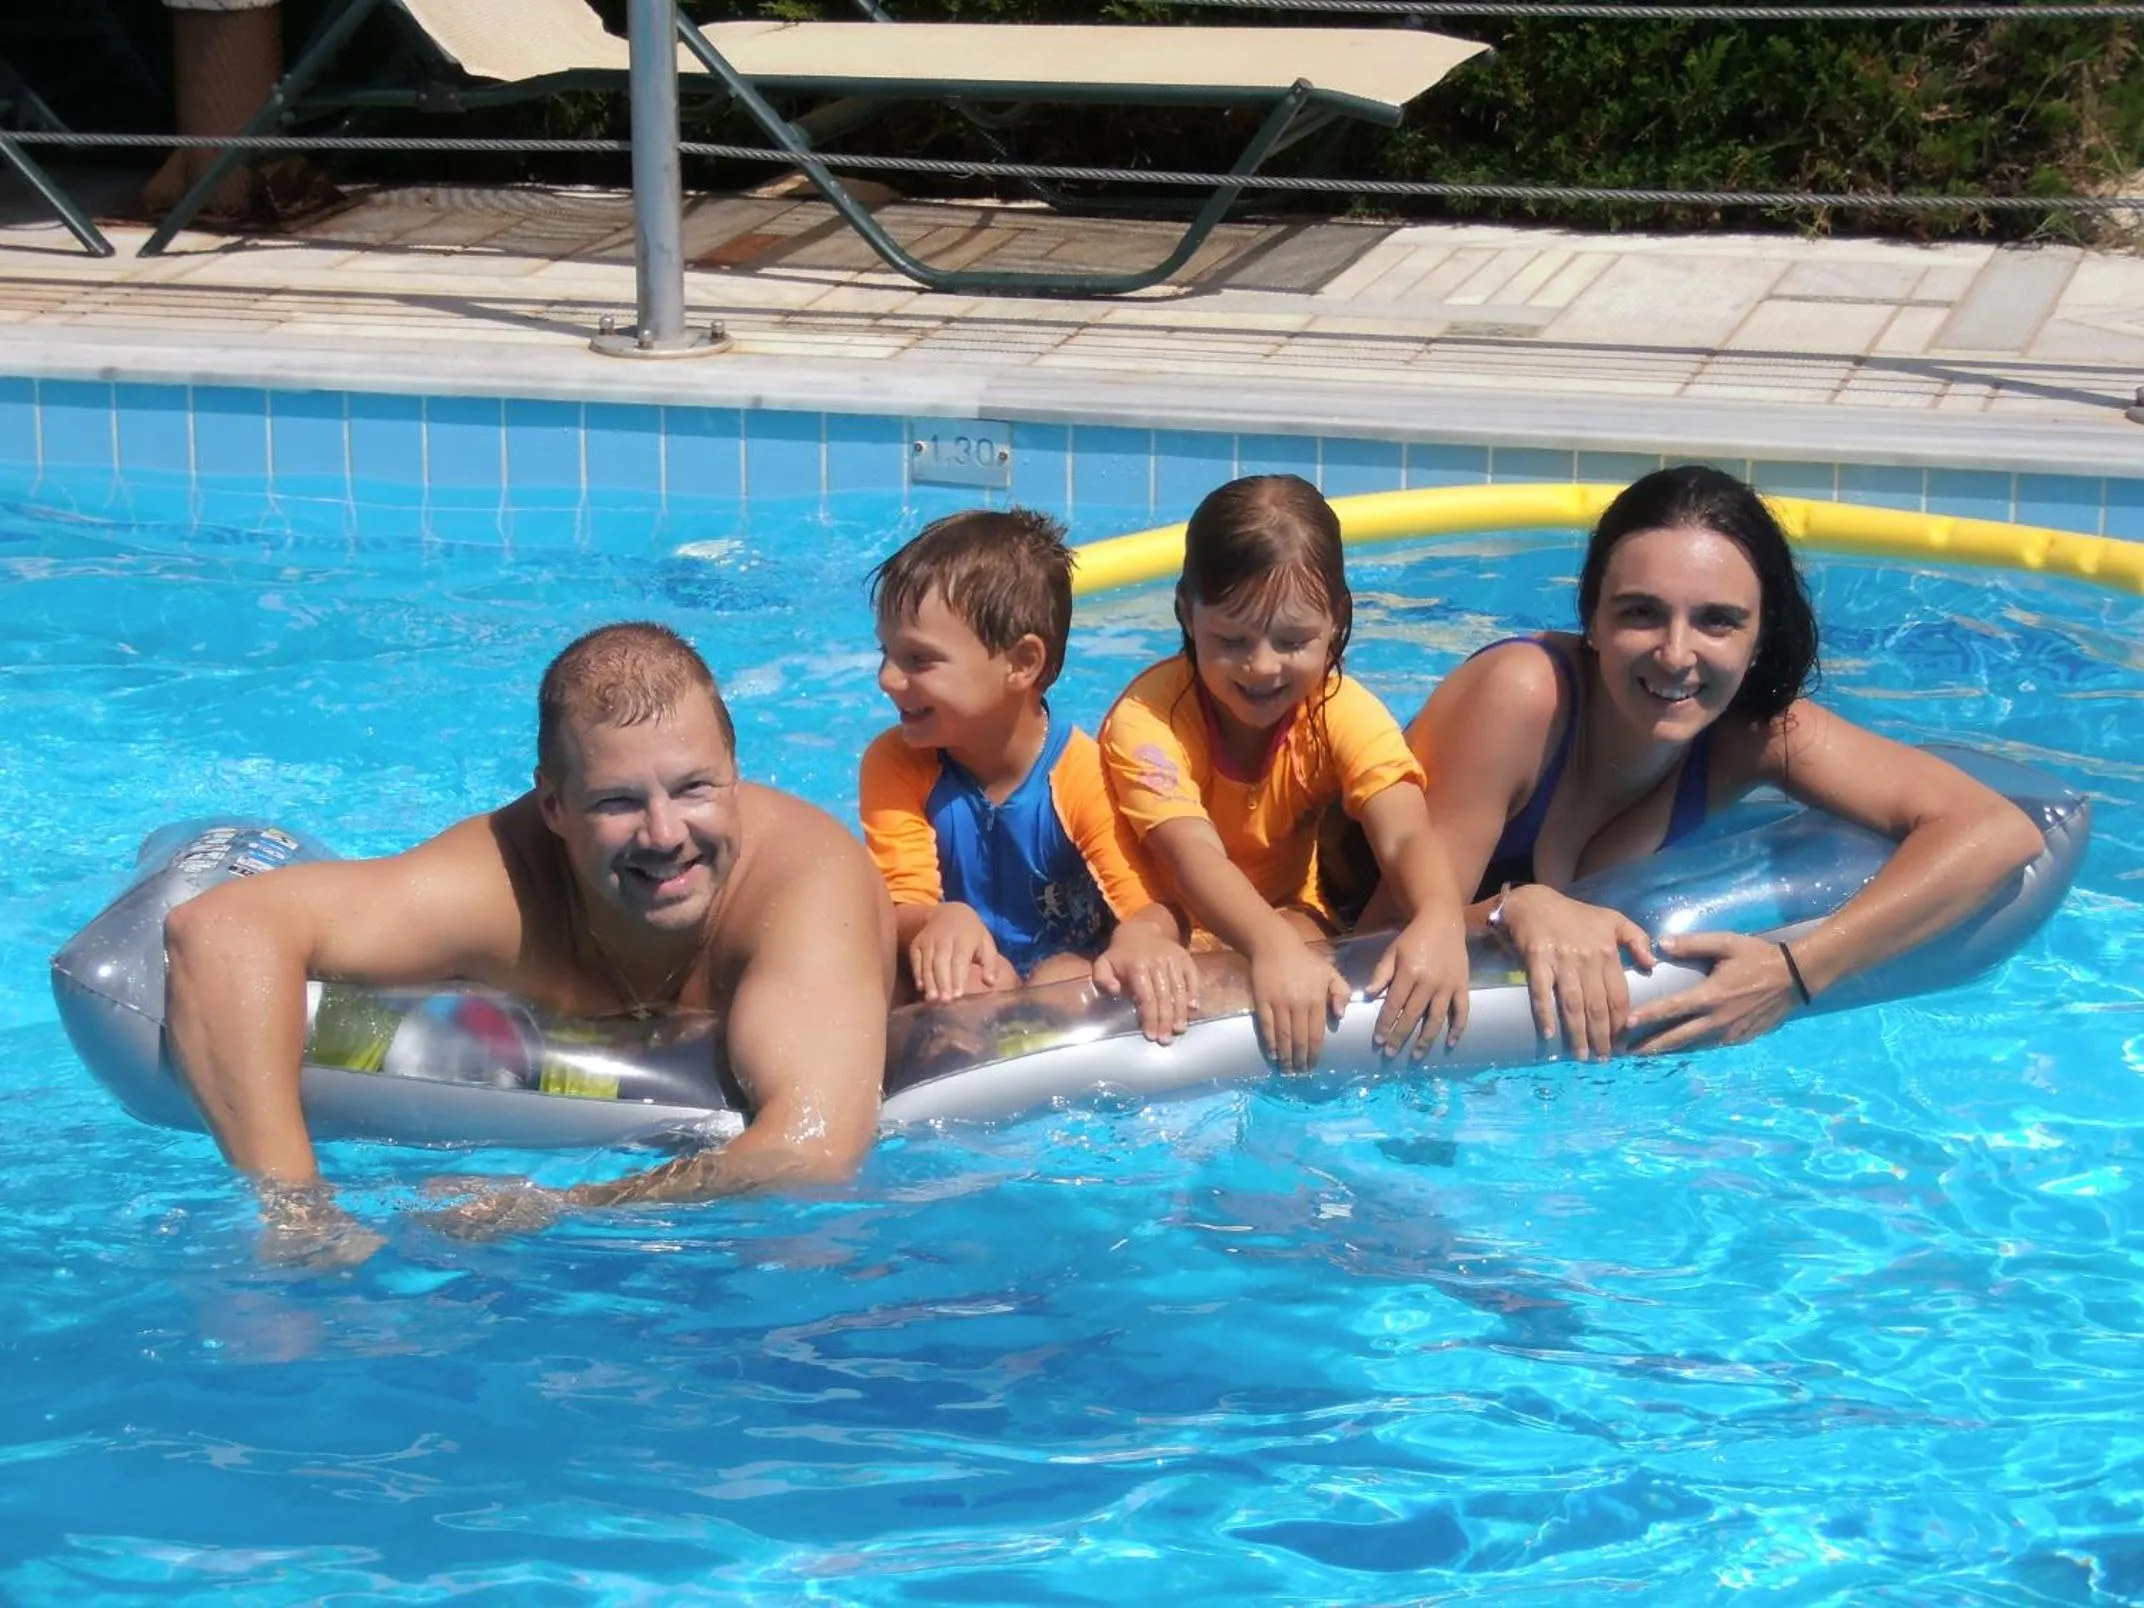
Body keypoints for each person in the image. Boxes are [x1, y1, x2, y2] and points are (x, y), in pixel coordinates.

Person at [163, 622, 896, 1260]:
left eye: (695, 788)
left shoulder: (803, 889)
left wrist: (559, 1208)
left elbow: (813, 1151)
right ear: (554, 806)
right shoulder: (500, 885)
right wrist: (299, 1213)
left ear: (737, 776)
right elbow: (222, 929)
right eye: (618, 801)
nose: (665, 835)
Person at [1343, 463, 2046, 1060]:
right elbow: (1368, 942)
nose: (1677, 655)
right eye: (1641, 614)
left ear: (1759, 634)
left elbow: (1996, 829)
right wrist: (1514, 909)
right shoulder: (1522, 698)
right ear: (1592, 620)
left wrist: (1796, 972)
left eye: (1717, 621)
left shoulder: (1751, 734)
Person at [1097, 474, 1470, 1074]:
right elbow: (1194, 858)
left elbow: (1404, 831)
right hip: (1158, 926)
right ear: (1185, 614)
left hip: (1287, 919)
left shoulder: (1340, 711)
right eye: (1232, 639)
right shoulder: (1149, 721)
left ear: (1337, 618)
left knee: (1300, 936)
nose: (1262, 665)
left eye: (1293, 639)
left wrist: (1439, 920)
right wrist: (1266, 945)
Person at [862, 508, 1198, 1043]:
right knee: (956, 985)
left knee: (1065, 978)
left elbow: (1152, 908)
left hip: (1067, 974)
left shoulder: (1082, 774)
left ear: (1021, 663)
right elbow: (900, 904)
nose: (887, 678)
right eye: (887, 653)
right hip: (969, 973)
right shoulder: (895, 762)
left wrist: (1144, 937)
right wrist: (934, 919)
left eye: (918, 659)